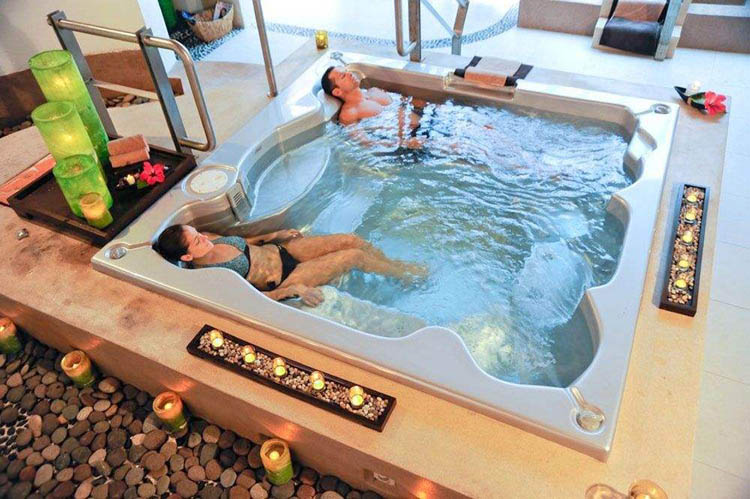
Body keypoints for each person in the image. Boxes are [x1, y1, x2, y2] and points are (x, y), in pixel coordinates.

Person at [154, 225, 425, 307]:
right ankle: (404, 274)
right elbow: (254, 299)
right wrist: (294, 290)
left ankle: (394, 265)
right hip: (286, 276)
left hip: (283, 251)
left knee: (350, 239)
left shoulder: (208, 237)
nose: (203, 238)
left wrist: (274, 234)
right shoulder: (212, 275)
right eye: (196, 241)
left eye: (196, 233)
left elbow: (245, 241)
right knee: (352, 256)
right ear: (187, 257)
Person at [321, 66, 428, 150]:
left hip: (424, 122)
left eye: (347, 71)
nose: (349, 73)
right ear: (337, 92)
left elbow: (402, 102)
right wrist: (404, 143)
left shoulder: (374, 90)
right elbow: (367, 143)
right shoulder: (349, 113)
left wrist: (417, 104)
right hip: (405, 144)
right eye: (343, 76)